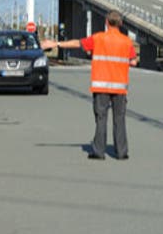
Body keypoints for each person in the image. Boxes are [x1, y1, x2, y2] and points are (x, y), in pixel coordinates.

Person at [41, 10, 138, 161]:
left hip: (101, 86)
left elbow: (78, 43)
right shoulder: (126, 41)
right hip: (119, 87)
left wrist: (56, 43)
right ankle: (121, 152)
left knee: (101, 118)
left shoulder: (98, 38)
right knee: (119, 119)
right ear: (121, 24)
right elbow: (133, 61)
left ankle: (99, 152)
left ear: (106, 22)